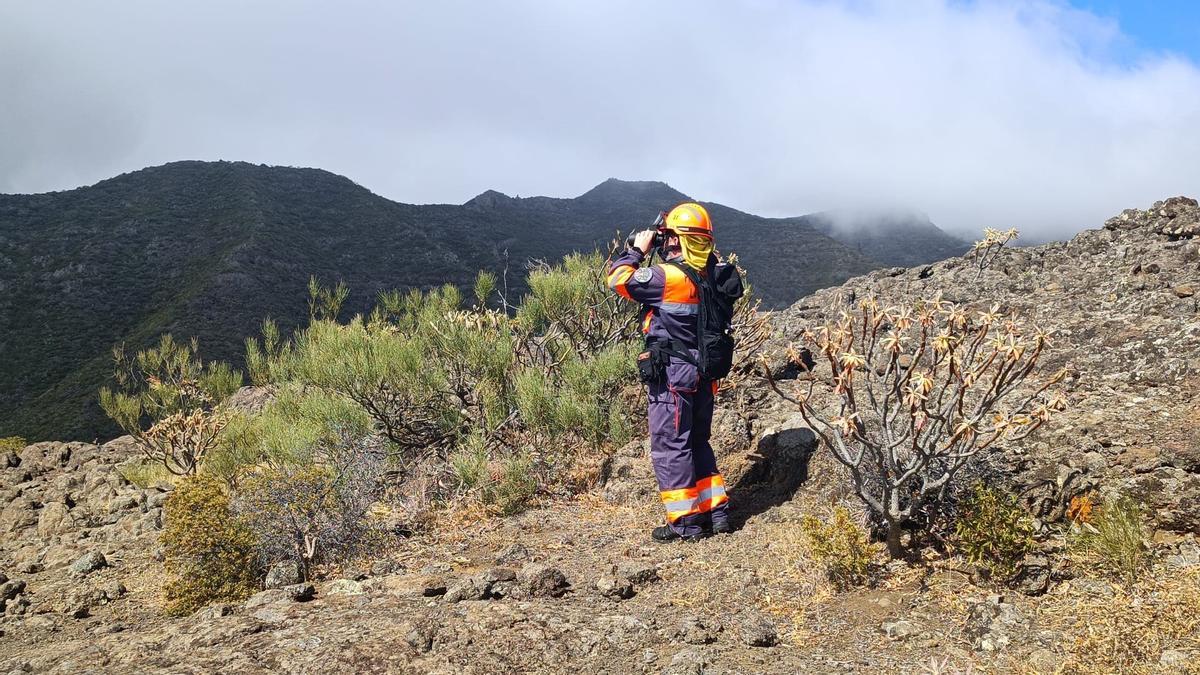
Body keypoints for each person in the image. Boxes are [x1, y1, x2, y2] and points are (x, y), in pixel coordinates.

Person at [605, 202, 731, 542]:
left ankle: (686, 522)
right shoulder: (713, 273)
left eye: (669, 236)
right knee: (697, 441)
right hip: (705, 375)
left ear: (679, 239)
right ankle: (715, 512)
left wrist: (635, 250)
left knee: (670, 446)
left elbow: (618, 280)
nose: (664, 241)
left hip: (674, 377)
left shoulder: (668, 276)